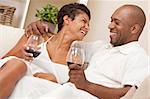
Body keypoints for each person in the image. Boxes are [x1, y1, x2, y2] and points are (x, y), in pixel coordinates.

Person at [20, 4, 148, 99]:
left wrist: (87, 86)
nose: (110, 26)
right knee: (27, 83)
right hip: (70, 90)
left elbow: (130, 94)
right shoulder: (101, 47)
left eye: (117, 23)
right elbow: (64, 39)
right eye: (111, 21)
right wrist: (38, 28)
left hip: (84, 95)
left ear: (134, 29)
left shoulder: (138, 57)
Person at [0, 3, 91, 98]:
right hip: (13, 80)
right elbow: (5, 60)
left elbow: (72, 88)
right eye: (84, 21)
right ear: (67, 19)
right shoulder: (37, 36)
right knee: (19, 65)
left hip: (37, 92)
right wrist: (20, 55)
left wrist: (53, 80)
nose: (87, 28)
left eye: (88, 25)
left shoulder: (75, 57)